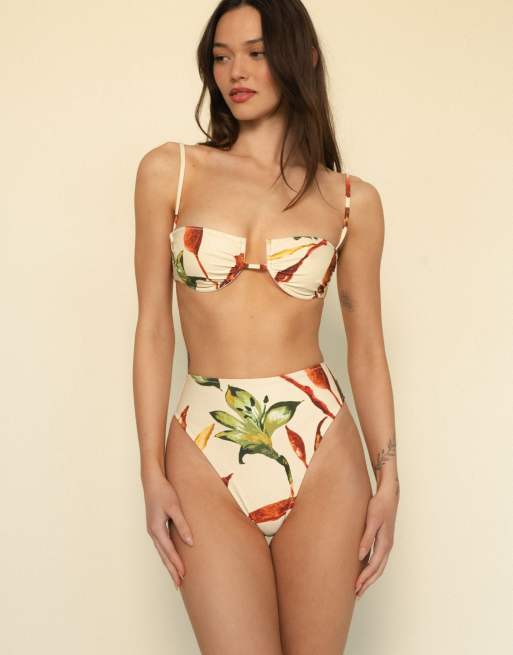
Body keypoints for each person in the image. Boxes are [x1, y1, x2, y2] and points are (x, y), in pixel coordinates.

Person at [133, 1, 399, 653]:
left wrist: (389, 478)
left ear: (300, 58)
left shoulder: (351, 201)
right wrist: (150, 471)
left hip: (322, 447)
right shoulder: (170, 171)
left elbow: (366, 349)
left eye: (255, 53)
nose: (236, 72)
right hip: (203, 441)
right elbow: (154, 329)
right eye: (221, 57)